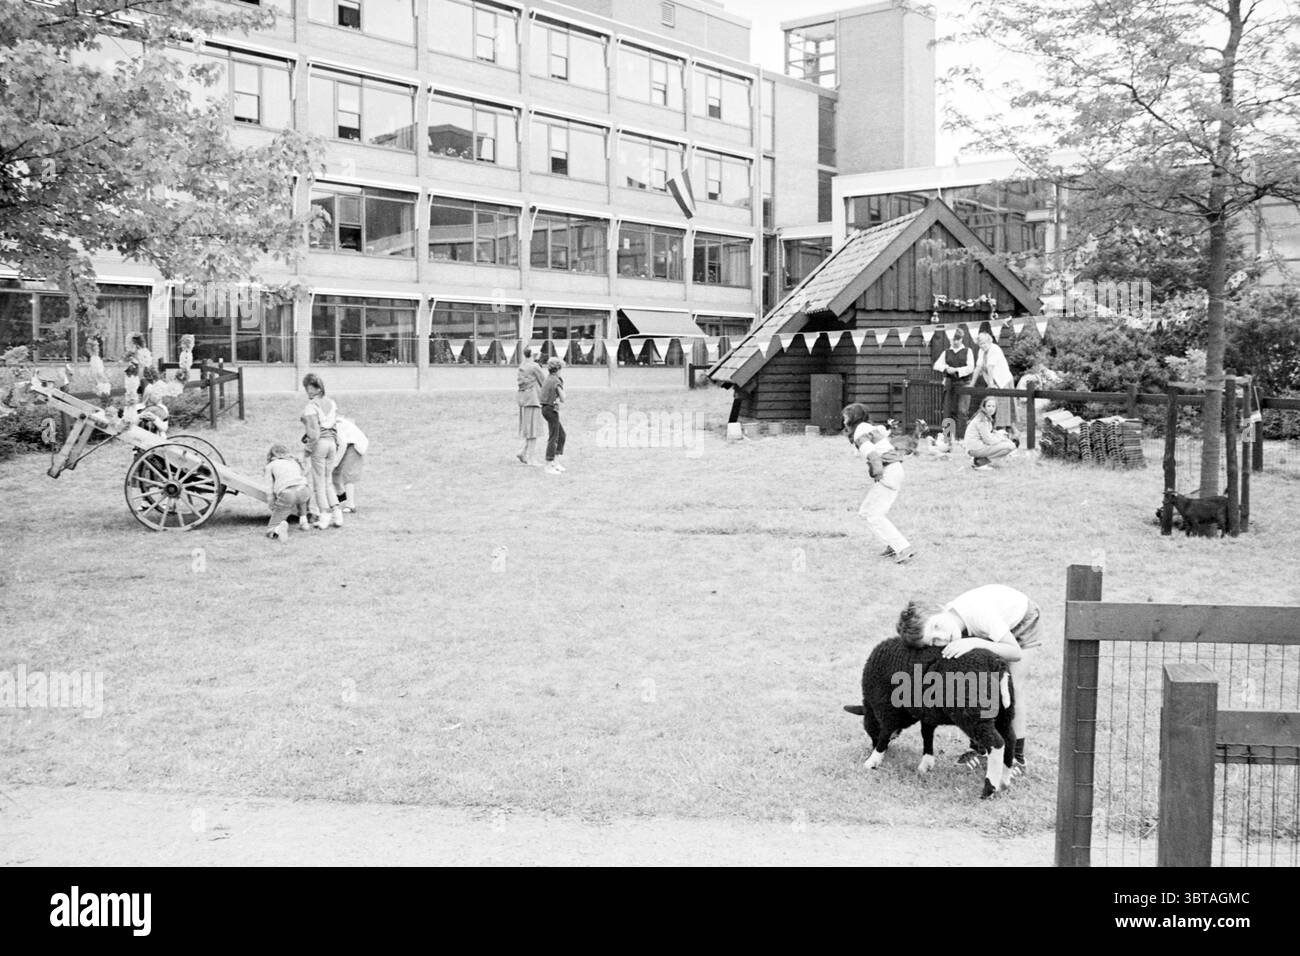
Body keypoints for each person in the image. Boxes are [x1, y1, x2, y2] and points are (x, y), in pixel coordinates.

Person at [895, 584, 1041, 776]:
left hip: (1021, 622)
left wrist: (974, 642)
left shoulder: (978, 613)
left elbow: (1014, 652)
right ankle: (981, 748)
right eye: (933, 641)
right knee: (977, 684)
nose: (941, 637)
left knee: (1011, 686)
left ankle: (1017, 758)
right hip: (985, 632)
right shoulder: (950, 626)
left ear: (941, 608)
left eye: (936, 627)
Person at [842, 403, 915, 564]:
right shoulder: (867, 427)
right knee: (866, 511)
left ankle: (902, 548)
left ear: (853, 417)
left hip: (888, 471)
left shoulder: (859, 432)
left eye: (846, 416)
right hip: (894, 470)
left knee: (873, 514)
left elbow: (874, 456)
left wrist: (877, 474)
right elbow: (883, 433)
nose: (844, 419)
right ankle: (891, 546)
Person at [301, 373, 343, 530]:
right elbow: (334, 426)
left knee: (318, 483)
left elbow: (314, 433)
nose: (307, 391)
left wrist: (307, 450)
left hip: (320, 444)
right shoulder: (332, 403)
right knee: (328, 481)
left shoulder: (311, 406)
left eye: (308, 388)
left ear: (314, 389)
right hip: (332, 443)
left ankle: (324, 515)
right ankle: (337, 514)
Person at [970, 325, 1016, 433]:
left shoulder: (994, 349)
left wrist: (990, 384)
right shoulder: (981, 351)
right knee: (992, 404)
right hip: (993, 381)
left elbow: (990, 367)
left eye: (984, 343)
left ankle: (1006, 431)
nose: (982, 346)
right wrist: (971, 383)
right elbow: (978, 367)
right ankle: (998, 430)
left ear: (989, 341)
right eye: (980, 344)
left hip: (1003, 380)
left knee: (1003, 407)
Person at [263, 443, 312, 542]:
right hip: (304, 489)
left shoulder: (270, 466)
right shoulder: (294, 462)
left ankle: (277, 528)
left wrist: (272, 503)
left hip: (287, 493)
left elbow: (269, 488)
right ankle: (304, 522)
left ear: (271, 455)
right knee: (301, 499)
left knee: (271, 527)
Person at [933, 327, 975, 423]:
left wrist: (956, 370)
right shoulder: (946, 352)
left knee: (962, 411)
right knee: (948, 411)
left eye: (957, 339)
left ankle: (961, 436)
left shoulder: (968, 351)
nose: (955, 342)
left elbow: (970, 368)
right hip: (950, 384)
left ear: (961, 339)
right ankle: (948, 436)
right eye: (953, 339)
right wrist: (946, 368)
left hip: (964, 383)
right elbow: (936, 365)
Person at [963, 396, 1017, 471]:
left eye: (993, 406)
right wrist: (1002, 439)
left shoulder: (985, 417)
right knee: (1010, 446)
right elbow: (989, 440)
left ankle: (980, 460)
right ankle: (980, 462)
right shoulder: (982, 419)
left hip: (976, 447)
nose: (991, 408)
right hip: (975, 448)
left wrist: (1000, 436)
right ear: (984, 407)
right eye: (988, 406)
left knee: (1008, 442)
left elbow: (989, 434)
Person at [516, 346, 546, 466]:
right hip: (534, 400)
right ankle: (531, 458)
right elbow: (543, 382)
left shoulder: (521, 367)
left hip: (523, 400)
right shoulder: (534, 367)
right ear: (533, 354)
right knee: (533, 431)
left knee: (528, 428)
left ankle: (522, 451)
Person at [332, 415, 368, 513]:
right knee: (334, 472)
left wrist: (335, 463)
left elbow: (342, 444)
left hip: (354, 444)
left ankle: (350, 505)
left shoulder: (335, 425)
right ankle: (341, 495)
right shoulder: (327, 424)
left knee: (348, 473)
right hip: (345, 444)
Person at [540, 357, 566, 474]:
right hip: (551, 410)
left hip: (546, 409)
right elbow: (563, 398)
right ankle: (549, 464)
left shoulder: (548, 379)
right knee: (554, 437)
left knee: (561, 435)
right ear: (558, 369)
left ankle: (555, 461)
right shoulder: (556, 380)